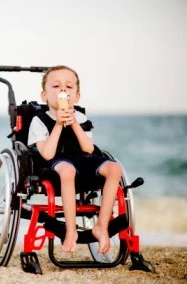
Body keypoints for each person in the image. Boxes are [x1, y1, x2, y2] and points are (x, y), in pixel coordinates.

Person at [27, 65, 122, 254]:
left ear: (77, 96)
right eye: (56, 86)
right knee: (68, 170)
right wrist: (59, 124)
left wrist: (74, 122)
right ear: (44, 95)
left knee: (115, 169)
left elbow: (88, 148)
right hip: (56, 163)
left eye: (69, 87)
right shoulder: (39, 120)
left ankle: (101, 225)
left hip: (83, 159)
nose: (63, 89)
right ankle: (71, 230)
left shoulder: (80, 116)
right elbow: (47, 154)